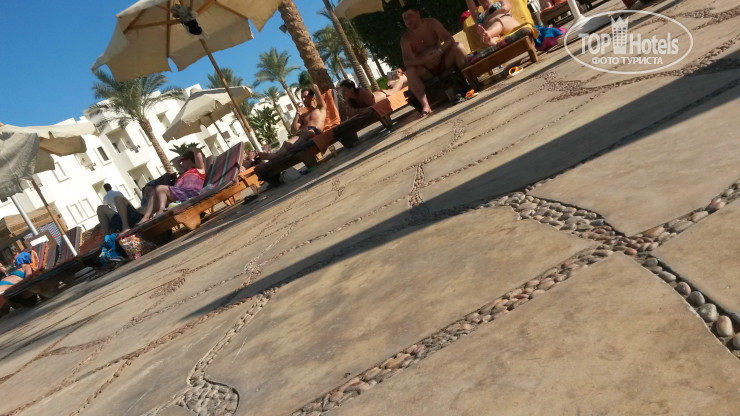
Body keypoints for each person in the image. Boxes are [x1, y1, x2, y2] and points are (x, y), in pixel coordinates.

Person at [400, 5, 468, 117]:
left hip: (444, 61)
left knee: (458, 47)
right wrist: (424, 59)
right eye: (405, 18)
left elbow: (449, 39)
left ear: (417, 14)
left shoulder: (431, 23)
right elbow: (407, 62)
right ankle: (425, 105)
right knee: (410, 71)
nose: (408, 21)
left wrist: (440, 51)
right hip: (426, 71)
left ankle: (469, 81)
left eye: (410, 16)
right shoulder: (405, 38)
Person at [256, 83, 326, 161]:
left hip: (315, 132)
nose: (303, 100)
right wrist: (297, 112)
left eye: (305, 97)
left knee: (305, 134)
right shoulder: (303, 115)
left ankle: (288, 152)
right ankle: (275, 155)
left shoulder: (320, 108)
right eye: (302, 98)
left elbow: (319, 97)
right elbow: (293, 130)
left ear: (312, 97)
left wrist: (315, 88)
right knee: (286, 143)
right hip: (302, 135)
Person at [138, 149, 206, 222]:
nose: (181, 162)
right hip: (179, 195)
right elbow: (175, 162)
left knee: (160, 188)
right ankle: (146, 217)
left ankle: (161, 210)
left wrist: (189, 152)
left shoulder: (199, 169)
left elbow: (197, 152)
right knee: (153, 192)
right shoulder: (184, 172)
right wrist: (182, 157)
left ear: (190, 159)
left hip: (189, 194)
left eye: (184, 160)